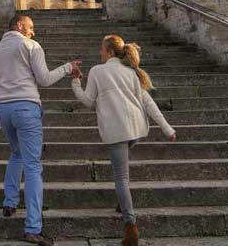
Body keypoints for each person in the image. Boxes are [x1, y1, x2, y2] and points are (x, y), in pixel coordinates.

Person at [0, 13, 80, 246]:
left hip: (3, 109)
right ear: (19, 25)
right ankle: (33, 228)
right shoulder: (30, 45)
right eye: (31, 26)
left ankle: (9, 202)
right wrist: (67, 68)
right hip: (26, 106)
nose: (33, 31)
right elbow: (44, 79)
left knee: (16, 154)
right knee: (33, 166)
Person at [70, 34, 177, 246]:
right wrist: (167, 129)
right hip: (136, 130)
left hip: (116, 131)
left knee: (121, 177)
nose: (99, 52)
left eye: (101, 49)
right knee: (123, 172)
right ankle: (123, 200)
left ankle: (130, 226)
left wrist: (75, 82)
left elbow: (88, 101)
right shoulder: (131, 72)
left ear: (109, 51)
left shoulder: (98, 71)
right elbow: (148, 103)